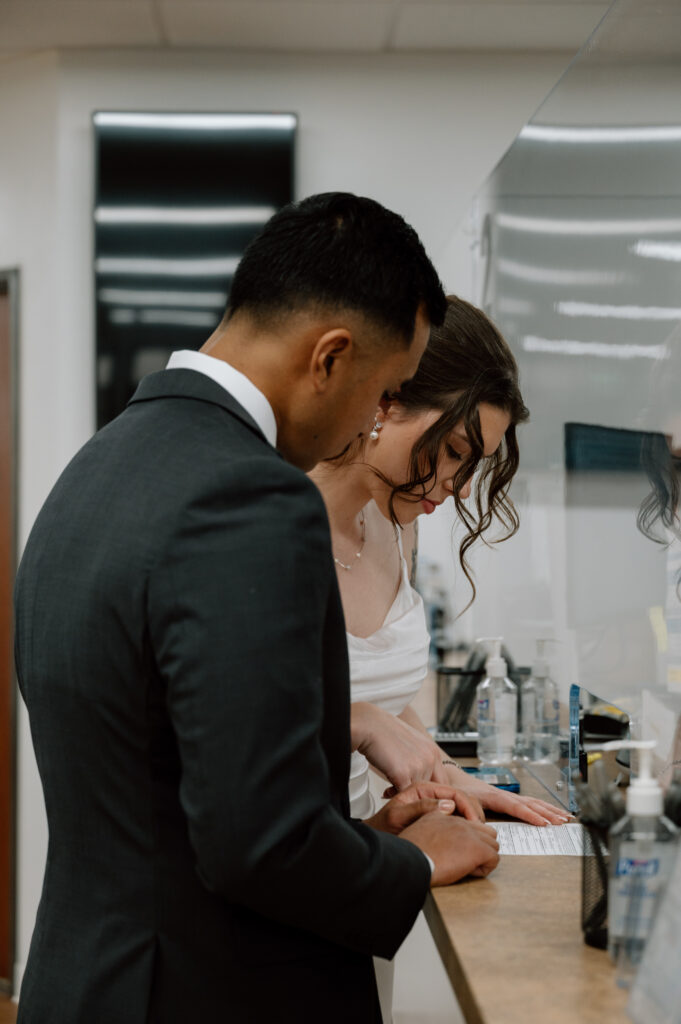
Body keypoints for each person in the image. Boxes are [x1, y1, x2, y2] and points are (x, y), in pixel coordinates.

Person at [14, 195, 500, 1024]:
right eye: (385, 391)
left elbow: (172, 782)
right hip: (207, 992)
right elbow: (259, 845)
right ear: (331, 357)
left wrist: (364, 840)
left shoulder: (99, 464)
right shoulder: (252, 497)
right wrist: (415, 862)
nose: (372, 420)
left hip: (88, 977)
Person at [310, 295, 571, 826]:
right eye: (453, 450)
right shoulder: (268, 524)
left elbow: (382, 693)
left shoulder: (396, 524)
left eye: (473, 464)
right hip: (297, 849)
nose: (460, 487)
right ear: (386, 401)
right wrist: (357, 722)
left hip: (369, 840)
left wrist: (450, 773)